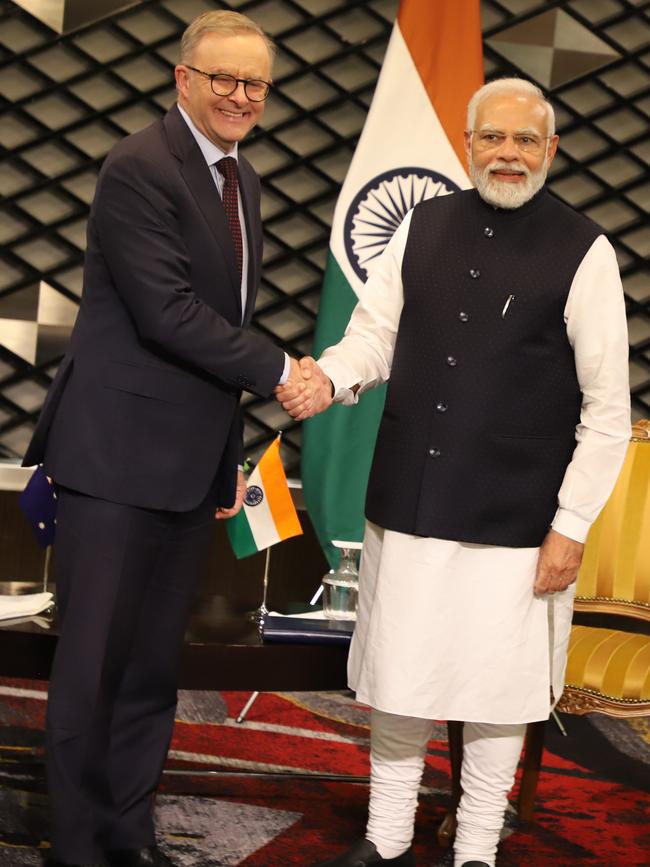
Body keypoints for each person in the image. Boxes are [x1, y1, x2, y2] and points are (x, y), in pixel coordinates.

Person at [276, 78, 631, 867]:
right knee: (400, 676)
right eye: (492, 139)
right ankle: (387, 836)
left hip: (518, 521)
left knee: (496, 690)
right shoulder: (422, 224)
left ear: (552, 150)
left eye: (525, 140)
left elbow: (606, 412)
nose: (507, 154)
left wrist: (570, 526)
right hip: (410, 498)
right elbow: (373, 336)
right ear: (468, 145)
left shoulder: (586, 249)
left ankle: (475, 848)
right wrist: (331, 379)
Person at [23, 11, 312, 867]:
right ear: (182, 78)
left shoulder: (243, 179)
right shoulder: (138, 167)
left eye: (254, 82)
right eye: (223, 78)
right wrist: (282, 371)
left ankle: (127, 831)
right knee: (91, 669)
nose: (240, 96)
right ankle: (76, 845)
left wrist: (225, 453)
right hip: (112, 462)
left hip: (187, 466)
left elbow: (213, 322)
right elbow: (168, 313)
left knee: (153, 668)